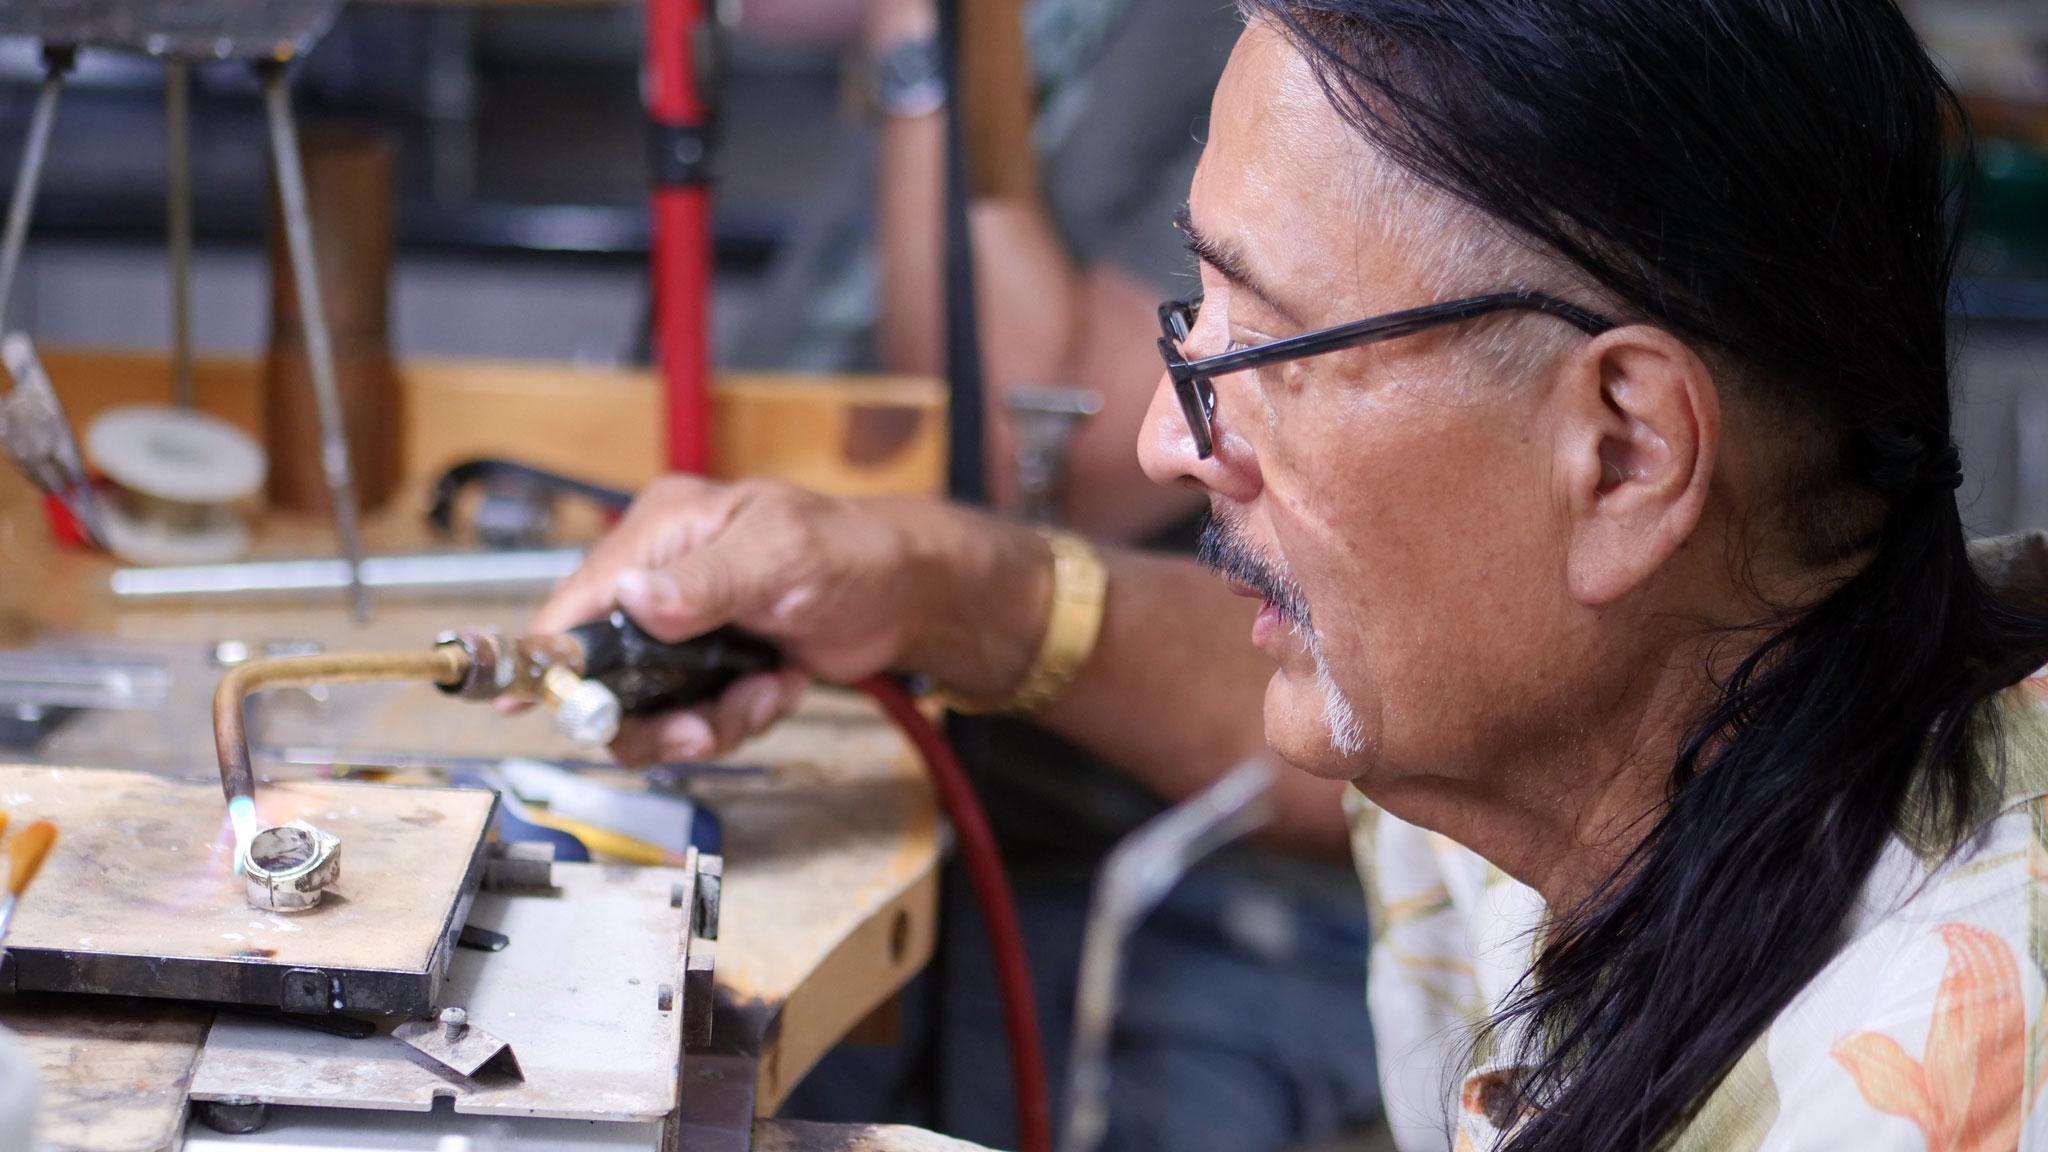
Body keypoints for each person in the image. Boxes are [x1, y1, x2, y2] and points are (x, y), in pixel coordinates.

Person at [537, 0, 2048, 1148]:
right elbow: (1369, 759)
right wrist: (948, 587)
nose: (1161, 440)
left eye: (1255, 349)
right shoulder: (1693, 718)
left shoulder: (1934, 1071)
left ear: (1627, 455)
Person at [739, 1, 1381, 1147]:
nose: (1172, 433)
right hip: (944, 807)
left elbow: (1035, 440)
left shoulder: (1237, 40)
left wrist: (917, 40)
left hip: (1194, 896)